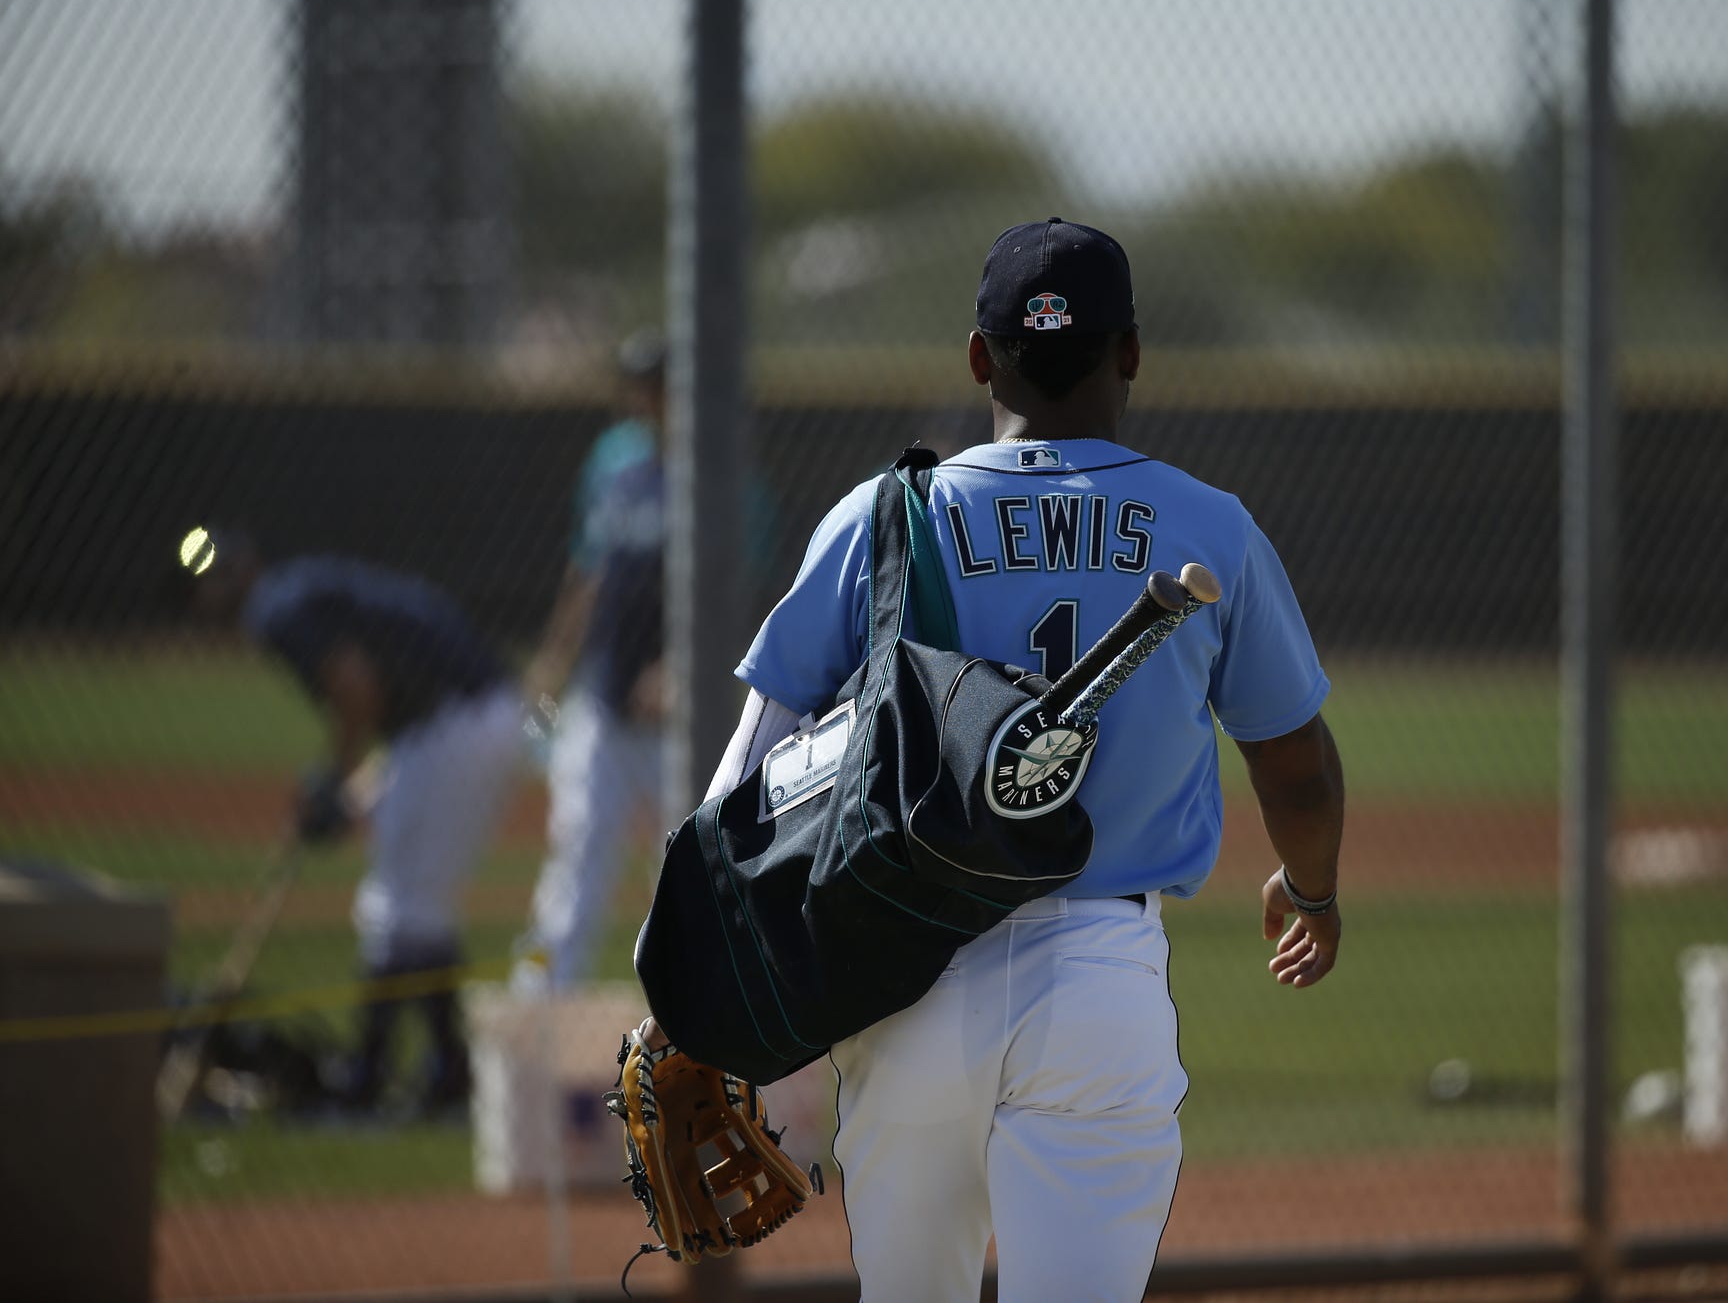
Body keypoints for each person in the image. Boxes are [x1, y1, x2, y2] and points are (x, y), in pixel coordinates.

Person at [665, 217, 1346, 1300]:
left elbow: (743, 781)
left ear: (979, 357)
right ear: (1128, 352)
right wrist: (1309, 888)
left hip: (903, 979)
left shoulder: (884, 517)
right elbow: (1297, 770)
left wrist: (695, 992)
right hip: (1097, 982)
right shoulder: (1208, 527)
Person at [183, 529, 523, 1115]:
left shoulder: (275, 611)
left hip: (455, 725)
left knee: (399, 901)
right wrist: (347, 794)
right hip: (461, 722)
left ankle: (371, 1079)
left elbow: (357, 691)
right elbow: (383, 704)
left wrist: (331, 782)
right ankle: (446, 1075)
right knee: (417, 901)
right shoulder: (298, 588)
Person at [513, 332, 674, 990]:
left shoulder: (718, 466)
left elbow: (740, 583)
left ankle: (694, 1031)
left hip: (679, 717)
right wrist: (554, 655)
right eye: (639, 384)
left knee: (685, 876)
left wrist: (681, 667)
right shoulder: (612, 459)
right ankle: (535, 1015)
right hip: (602, 696)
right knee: (575, 862)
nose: (647, 397)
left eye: (658, 383)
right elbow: (589, 565)